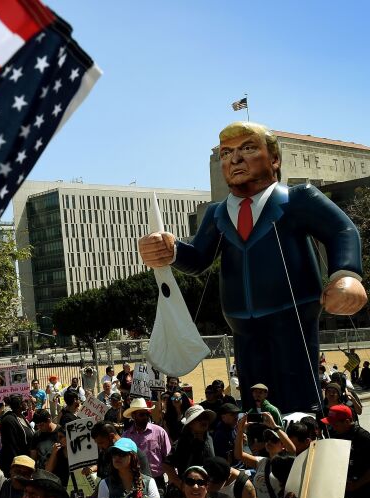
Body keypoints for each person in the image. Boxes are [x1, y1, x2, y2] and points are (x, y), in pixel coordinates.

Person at [139, 121, 366, 414]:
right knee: (253, 396)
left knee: (297, 392)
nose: (234, 159)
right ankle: (258, 435)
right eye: (226, 153)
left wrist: (346, 275)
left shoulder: (298, 199)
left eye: (247, 149)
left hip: (292, 313)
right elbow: (198, 258)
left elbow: (341, 230)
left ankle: (305, 431)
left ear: (275, 159)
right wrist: (171, 251)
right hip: (241, 323)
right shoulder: (217, 213)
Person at [234, 413, 295, 498]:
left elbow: (292, 450)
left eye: (274, 440)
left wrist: (274, 426)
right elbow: (239, 455)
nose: (269, 442)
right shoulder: (262, 461)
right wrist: (240, 431)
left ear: (283, 445)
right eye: (267, 439)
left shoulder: (288, 464)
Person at [321, 404, 370, 498]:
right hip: (344, 497)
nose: (332, 427)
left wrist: (356, 484)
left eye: (334, 423)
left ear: (347, 422)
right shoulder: (337, 435)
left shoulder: (364, 438)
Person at [163, 406, 217, 498]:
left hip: (207, 491)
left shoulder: (209, 439)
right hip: (188, 494)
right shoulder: (182, 443)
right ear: (190, 424)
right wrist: (180, 484)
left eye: (205, 418)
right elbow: (167, 465)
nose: (203, 421)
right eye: (199, 419)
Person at [123, 397, 172, 490]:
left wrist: (171, 478)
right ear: (133, 416)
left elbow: (168, 457)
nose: (145, 417)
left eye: (147, 414)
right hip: (135, 482)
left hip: (157, 481)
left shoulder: (159, 432)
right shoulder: (126, 436)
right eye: (142, 414)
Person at [0, 394, 34, 477]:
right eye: (24, 401)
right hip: (16, 465)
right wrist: (19, 466)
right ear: (19, 404)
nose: (26, 403)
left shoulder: (21, 416)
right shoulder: (8, 420)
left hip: (25, 461)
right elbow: (11, 446)